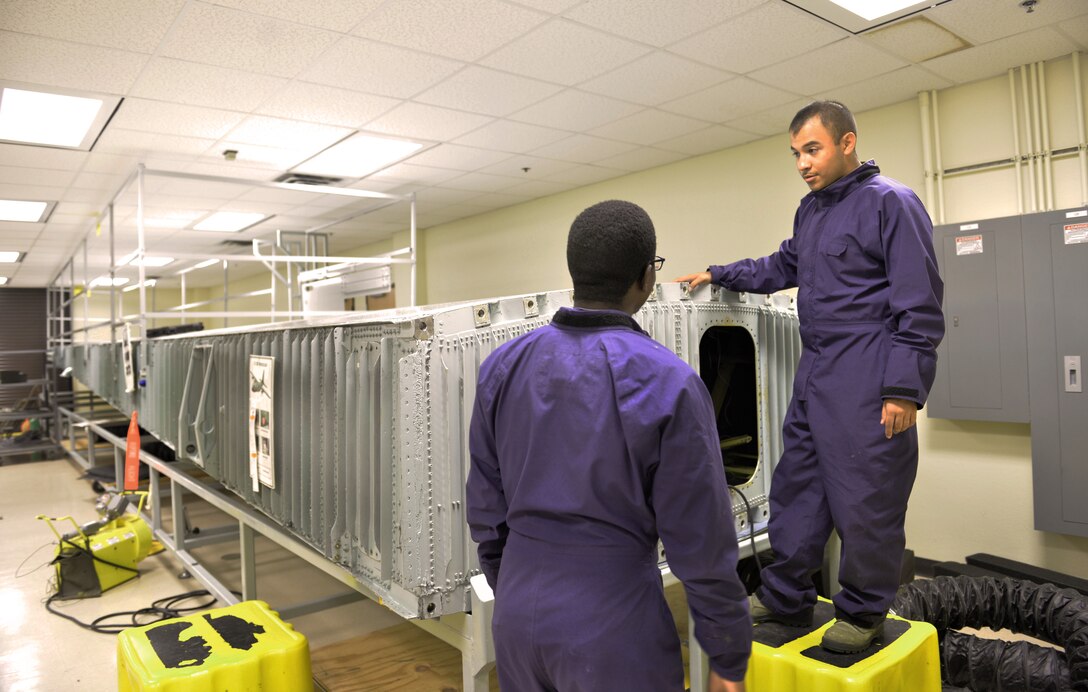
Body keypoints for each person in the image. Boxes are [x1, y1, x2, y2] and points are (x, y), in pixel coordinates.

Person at [677, 101, 944, 654]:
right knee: (798, 489)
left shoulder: (891, 203)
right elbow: (783, 265)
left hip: (868, 373)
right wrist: (720, 274)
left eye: (812, 149)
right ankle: (785, 596)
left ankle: (864, 612)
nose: (802, 163)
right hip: (816, 371)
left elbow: (919, 304)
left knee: (867, 500)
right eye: (796, 153)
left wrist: (904, 390)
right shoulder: (812, 211)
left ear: (847, 143)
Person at [467, 200, 751, 692]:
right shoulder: (669, 382)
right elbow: (700, 539)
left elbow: (486, 506)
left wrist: (513, 582)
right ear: (645, 277)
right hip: (612, 621)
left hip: (516, 612)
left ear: (574, 273)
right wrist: (727, 651)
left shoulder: (502, 366)